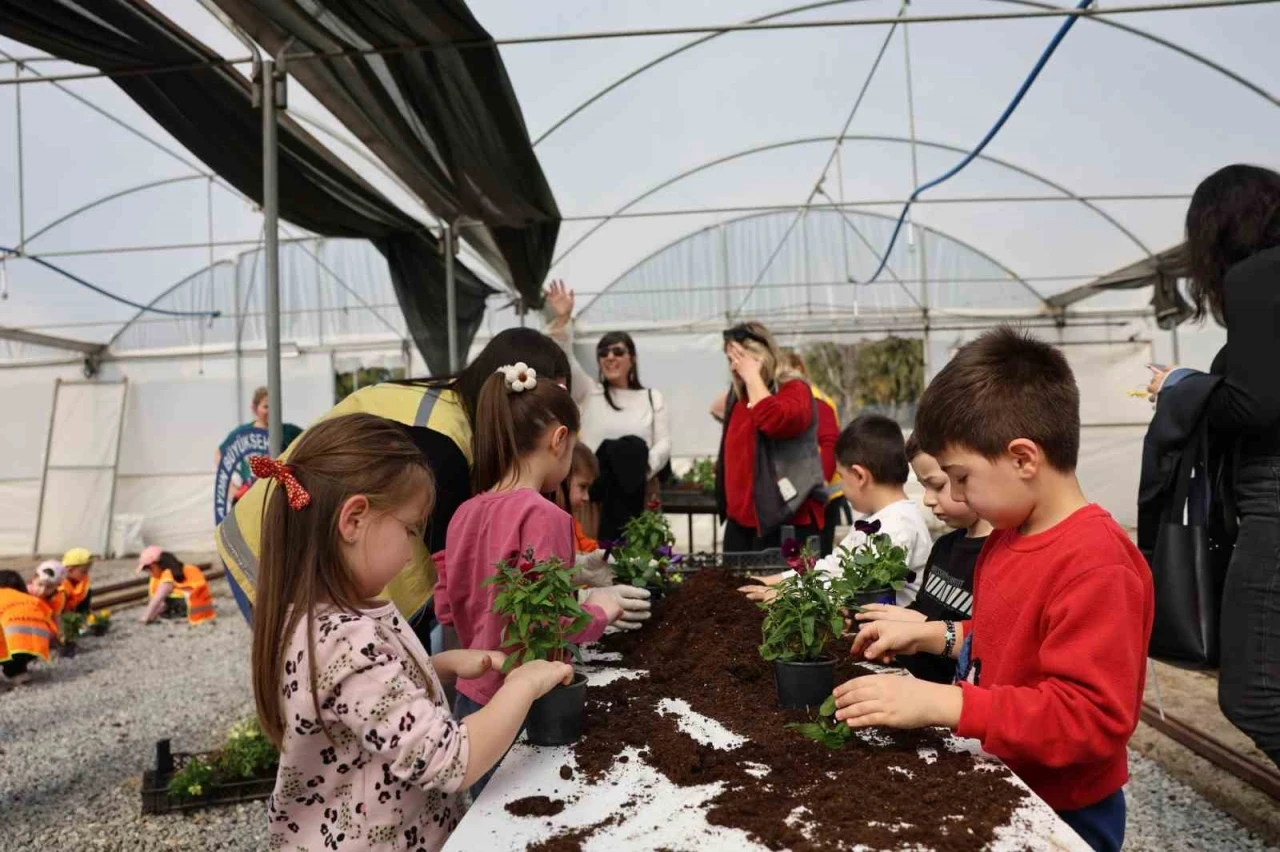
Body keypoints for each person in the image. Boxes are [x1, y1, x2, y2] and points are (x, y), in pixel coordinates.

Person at [835, 327, 1153, 852]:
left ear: (1023, 458)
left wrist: (947, 703)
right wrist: (932, 635)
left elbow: (1089, 718)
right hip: (1001, 777)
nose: (956, 496)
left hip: (1065, 811)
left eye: (961, 478)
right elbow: (1009, 639)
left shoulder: (1097, 564)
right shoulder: (1006, 538)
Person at [248, 413, 574, 852]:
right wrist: (524, 684)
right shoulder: (345, 639)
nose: (410, 552)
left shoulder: (319, 619)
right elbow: (450, 759)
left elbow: (362, 700)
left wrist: (438, 665)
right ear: (354, 520)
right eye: (410, 529)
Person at [217, 328, 573, 651]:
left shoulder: (441, 408)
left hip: (305, 549)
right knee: (313, 669)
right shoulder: (447, 442)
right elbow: (461, 575)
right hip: (274, 548)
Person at [437, 363, 627, 796]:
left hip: (471, 701)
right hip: (527, 704)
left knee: (486, 817)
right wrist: (602, 611)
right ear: (559, 440)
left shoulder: (464, 514)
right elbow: (550, 622)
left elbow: (447, 608)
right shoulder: (546, 516)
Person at [1146, 164, 1280, 766]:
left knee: (1254, 692)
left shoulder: (1256, 277)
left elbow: (1255, 406)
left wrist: (1179, 387)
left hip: (1274, 496)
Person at [739, 414, 931, 605]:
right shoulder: (876, 518)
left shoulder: (897, 527)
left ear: (859, 476)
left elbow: (859, 591)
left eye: (841, 477)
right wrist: (770, 582)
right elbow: (834, 567)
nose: (841, 488)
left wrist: (785, 594)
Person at [853, 435, 992, 683]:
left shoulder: (996, 558)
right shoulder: (944, 546)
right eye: (923, 486)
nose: (927, 499)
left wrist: (921, 626)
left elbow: (986, 645)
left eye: (937, 485)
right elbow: (923, 606)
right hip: (909, 680)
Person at [544, 279, 671, 541]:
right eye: (603, 353)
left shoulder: (651, 397)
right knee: (593, 556)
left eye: (618, 351)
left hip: (639, 493)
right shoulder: (589, 392)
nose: (610, 357)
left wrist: (638, 468)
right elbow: (563, 358)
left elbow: (664, 444)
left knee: (638, 555)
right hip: (594, 495)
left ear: (632, 358)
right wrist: (563, 318)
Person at [715, 322, 830, 552]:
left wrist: (752, 376)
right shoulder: (739, 396)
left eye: (740, 358)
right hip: (741, 524)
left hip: (788, 520)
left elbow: (774, 422)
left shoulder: (795, 389)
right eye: (730, 360)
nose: (734, 367)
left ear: (761, 356)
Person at [780, 349, 844, 556]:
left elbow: (830, 444)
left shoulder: (816, 401)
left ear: (799, 369)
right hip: (810, 493)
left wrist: (819, 483)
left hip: (821, 494)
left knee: (816, 554)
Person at [215, 387, 304, 525]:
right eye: (266, 406)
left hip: (279, 498)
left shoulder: (289, 431)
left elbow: (310, 443)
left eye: (274, 406)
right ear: (254, 408)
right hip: (250, 497)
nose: (271, 411)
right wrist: (231, 487)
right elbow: (219, 454)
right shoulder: (243, 433)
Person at [0, 569, 59, 685]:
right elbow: (52, 628)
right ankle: (18, 671)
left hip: (9, 645)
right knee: (18, 643)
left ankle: (14, 669)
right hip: (35, 646)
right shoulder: (32, 600)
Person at [138, 548, 216, 626]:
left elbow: (158, 598)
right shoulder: (187, 568)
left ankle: (179, 615)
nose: (149, 574)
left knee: (164, 598)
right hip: (205, 610)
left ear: (154, 566)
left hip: (189, 609)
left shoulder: (168, 574)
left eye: (147, 570)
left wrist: (146, 617)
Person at [60, 547, 94, 615]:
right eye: (83, 572)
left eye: (87, 571)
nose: (86, 575)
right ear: (70, 570)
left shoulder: (84, 588)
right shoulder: (59, 589)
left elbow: (85, 610)